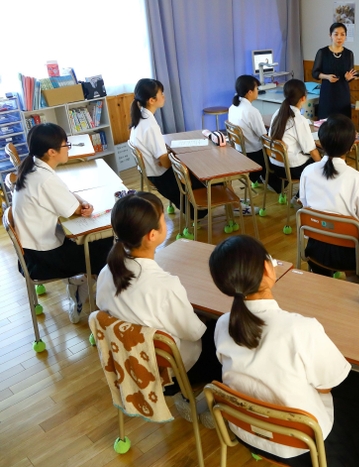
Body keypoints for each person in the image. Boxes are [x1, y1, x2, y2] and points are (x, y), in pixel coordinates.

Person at [210, 235, 359, 467]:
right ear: (267, 268)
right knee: (353, 384)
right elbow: (326, 385)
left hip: (247, 432)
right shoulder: (301, 328)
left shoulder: (223, 324)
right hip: (301, 445)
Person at [96, 192, 219, 424]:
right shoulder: (164, 285)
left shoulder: (105, 273)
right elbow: (195, 333)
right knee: (224, 332)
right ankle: (205, 402)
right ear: (153, 235)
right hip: (169, 372)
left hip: (128, 363)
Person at [12, 122, 112, 323]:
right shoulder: (44, 179)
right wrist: (82, 205)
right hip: (42, 259)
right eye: (66, 145)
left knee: (98, 244)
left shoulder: (34, 166)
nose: (68, 148)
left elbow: (66, 194)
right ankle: (89, 295)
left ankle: (83, 283)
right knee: (107, 246)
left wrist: (81, 202)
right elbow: (74, 210)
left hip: (33, 251)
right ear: (52, 151)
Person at [300, 115, 359, 281]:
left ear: (321, 143)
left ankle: (324, 280)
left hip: (315, 249)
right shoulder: (356, 178)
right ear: (350, 147)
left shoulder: (307, 172)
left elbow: (307, 209)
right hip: (346, 255)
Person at [128, 78, 206, 218]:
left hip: (152, 173)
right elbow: (164, 162)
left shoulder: (140, 118)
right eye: (161, 94)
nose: (164, 96)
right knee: (200, 173)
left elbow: (160, 157)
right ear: (152, 100)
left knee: (188, 165)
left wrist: (167, 156)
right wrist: (174, 159)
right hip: (162, 178)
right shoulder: (150, 125)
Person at [268, 79, 321, 193]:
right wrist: (323, 166)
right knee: (318, 165)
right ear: (303, 98)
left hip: (274, 164)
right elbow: (311, 150)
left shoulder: (278, 112)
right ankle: (299, 197)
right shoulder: (299, 120)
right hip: (291, 168)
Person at [311, 23, 359, 119]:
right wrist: (327, 77)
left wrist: (349, 78)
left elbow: (350, 75)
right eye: (336, 34)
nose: (339, 37)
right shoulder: (322, 52)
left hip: (343, 93)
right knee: (326, 122)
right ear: (330, 36)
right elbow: (315, 73)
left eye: (342, 34)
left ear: (345, 36)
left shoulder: (349, 54)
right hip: (327, 92)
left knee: (343, 122)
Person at [228, 75, 267, 186]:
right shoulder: (251, 111)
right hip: (254, 154)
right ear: (250, 92)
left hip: (240, 150)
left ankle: (255, 180)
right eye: (256, 89)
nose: (257, 91)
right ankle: (272, 184)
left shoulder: (233, 107)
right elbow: (263, 136)